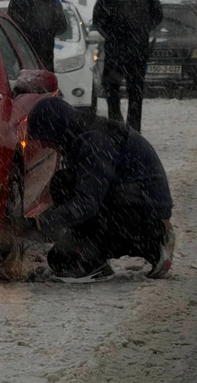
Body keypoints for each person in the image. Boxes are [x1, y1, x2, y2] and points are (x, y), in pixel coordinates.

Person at [27, 97, 175, 283]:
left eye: (45, 138)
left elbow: (87, 203)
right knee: (63, 184)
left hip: (144, 213)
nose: (44, 145)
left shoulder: (94, 141)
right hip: (124, 202)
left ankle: (154, 245)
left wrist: (42, 223)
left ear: (56, 130)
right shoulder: (81, 133)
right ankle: (89, 250)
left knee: (69, 259)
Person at [93, 0, 163, 132]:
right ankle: (133, 132)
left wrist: (113, 36)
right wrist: (141, 32)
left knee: (113, 93)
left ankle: (116, 130)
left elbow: (98, 21)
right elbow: (158, 15)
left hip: (116, 53)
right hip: (138, 51)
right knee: (135, 95)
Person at [7, 0, 68, 72]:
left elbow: (8, 26)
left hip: (20, 59)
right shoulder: (53, 0)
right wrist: (47, 32)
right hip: (45, 59)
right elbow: (62, 27)